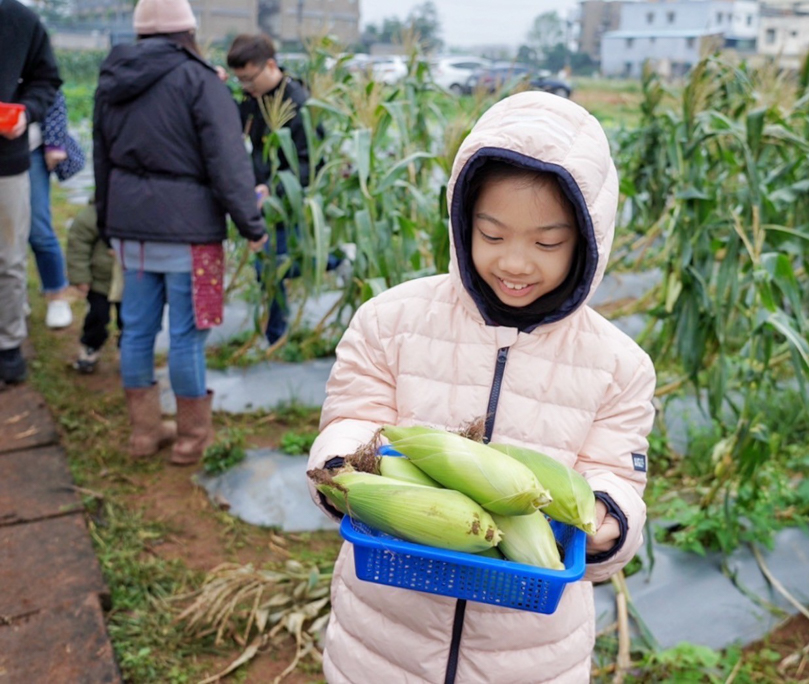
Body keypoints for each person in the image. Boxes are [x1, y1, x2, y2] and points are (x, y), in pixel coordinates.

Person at [306, 91, 656, 683]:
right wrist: (346, 466)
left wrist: (607, 519)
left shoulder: (619, 365)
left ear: (587, 242)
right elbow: (353, 414)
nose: (515, 263)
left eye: (547, 243)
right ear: (463, 222)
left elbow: (613, 472)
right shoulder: (389, 320)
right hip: (386, 637)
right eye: (492, 235)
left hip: (530, 653)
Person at [93, 0, 267, 464]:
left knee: (136, 332)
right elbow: (229, 163)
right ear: (187, 30)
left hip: (132, 234)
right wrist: (251, 223)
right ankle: (191, 438)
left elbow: (101, 157)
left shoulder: (112, 79)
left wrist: (111, 224)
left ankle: (144, 435)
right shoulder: (200, 82)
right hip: (192, 236)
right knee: (187, 335)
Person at [226, 33, 337, 345]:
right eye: (240, 80)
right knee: (269, 266)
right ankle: (276, 332)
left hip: (289, 197)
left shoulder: (299, 103)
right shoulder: (253, 97)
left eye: (249, 78)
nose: (245, 86)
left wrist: (273, 188)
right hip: (263, 196)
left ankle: (336, 261)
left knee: (275, 263)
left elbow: (309, 162)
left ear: (271, 65)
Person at [0, 0, 61, 385]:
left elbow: (47, 79)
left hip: (5, 160)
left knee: (8, 257)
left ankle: (7, 346)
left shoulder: (18, 20)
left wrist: (25, 111)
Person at [29, 89, 86, 329]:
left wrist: (54, 141)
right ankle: (12, 295)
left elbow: (50, 89)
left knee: (38, 226)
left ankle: (56, 293)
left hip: (27, 146)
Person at [66, 197, 122, 374]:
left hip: (130, 282)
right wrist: (81, 277)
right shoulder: (94, 214)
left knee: (131, 321)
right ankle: (90, 346)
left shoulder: (142, 212)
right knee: (97, 317)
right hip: (99, 282)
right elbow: (78, 245)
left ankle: (130, 354)